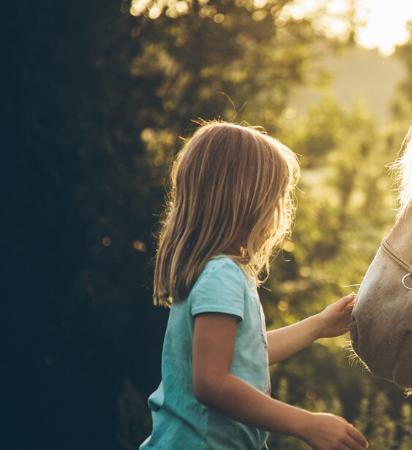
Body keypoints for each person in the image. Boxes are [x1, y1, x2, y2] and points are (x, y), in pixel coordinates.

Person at [140, 121, 368, 450]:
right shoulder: (222, 276)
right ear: (246, 202)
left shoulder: (216, 271)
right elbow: (212, 383)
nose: (279, 214)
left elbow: (244, 356)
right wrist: (307, 424)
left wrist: (318, 325)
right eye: (275, 200)